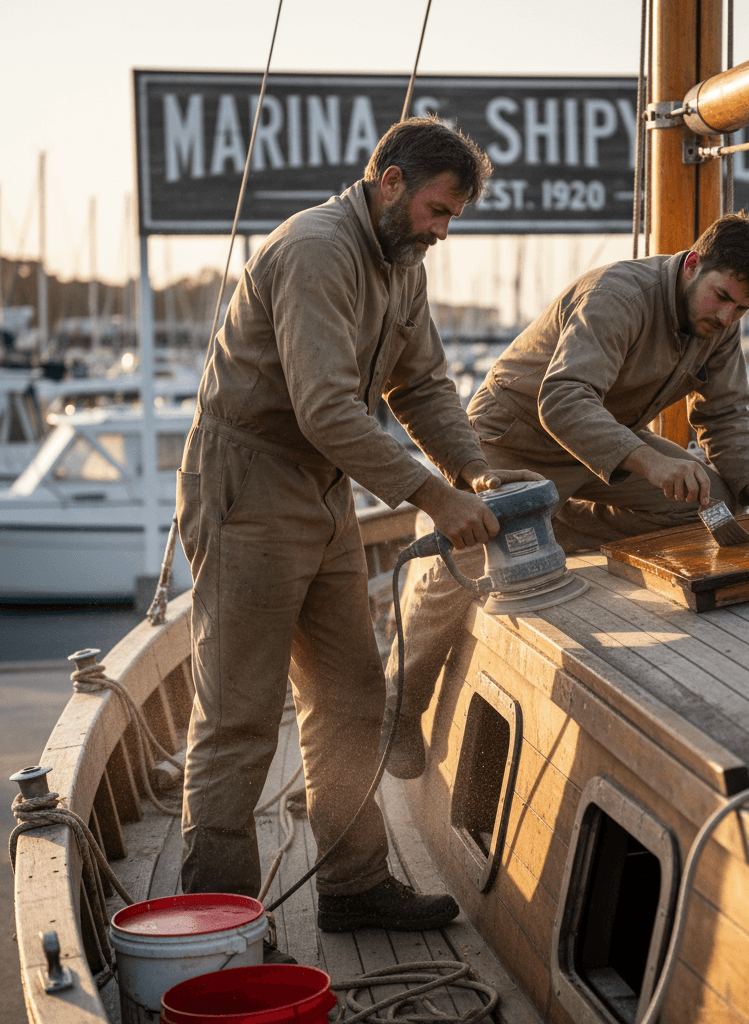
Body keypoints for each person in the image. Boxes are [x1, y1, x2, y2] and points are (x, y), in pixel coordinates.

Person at [175, 116, 538, 953]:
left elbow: (425, 386)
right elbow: (327, 407)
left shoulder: (398, 263)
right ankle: (210, 926)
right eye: (438, 211)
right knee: (240, 715)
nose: (443, 232)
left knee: (349, 696)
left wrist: (473, 473)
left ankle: (353, 883)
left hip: (322, 488)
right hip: (248, 484)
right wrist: (431, 498)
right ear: (390, 183)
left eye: (452, 218)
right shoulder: (315, 248)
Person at [386, 211, 749, 779]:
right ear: (691, 265)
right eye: (722, 298)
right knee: (464, 558)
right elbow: (562, 400)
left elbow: (728, 412)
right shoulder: (618, 294)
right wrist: (650, 460)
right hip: (514, 434)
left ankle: (545, 526)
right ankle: (397, 709)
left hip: (603, 434)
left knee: (714, 498)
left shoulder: (720, 324)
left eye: (742, 309)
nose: (727, 316)